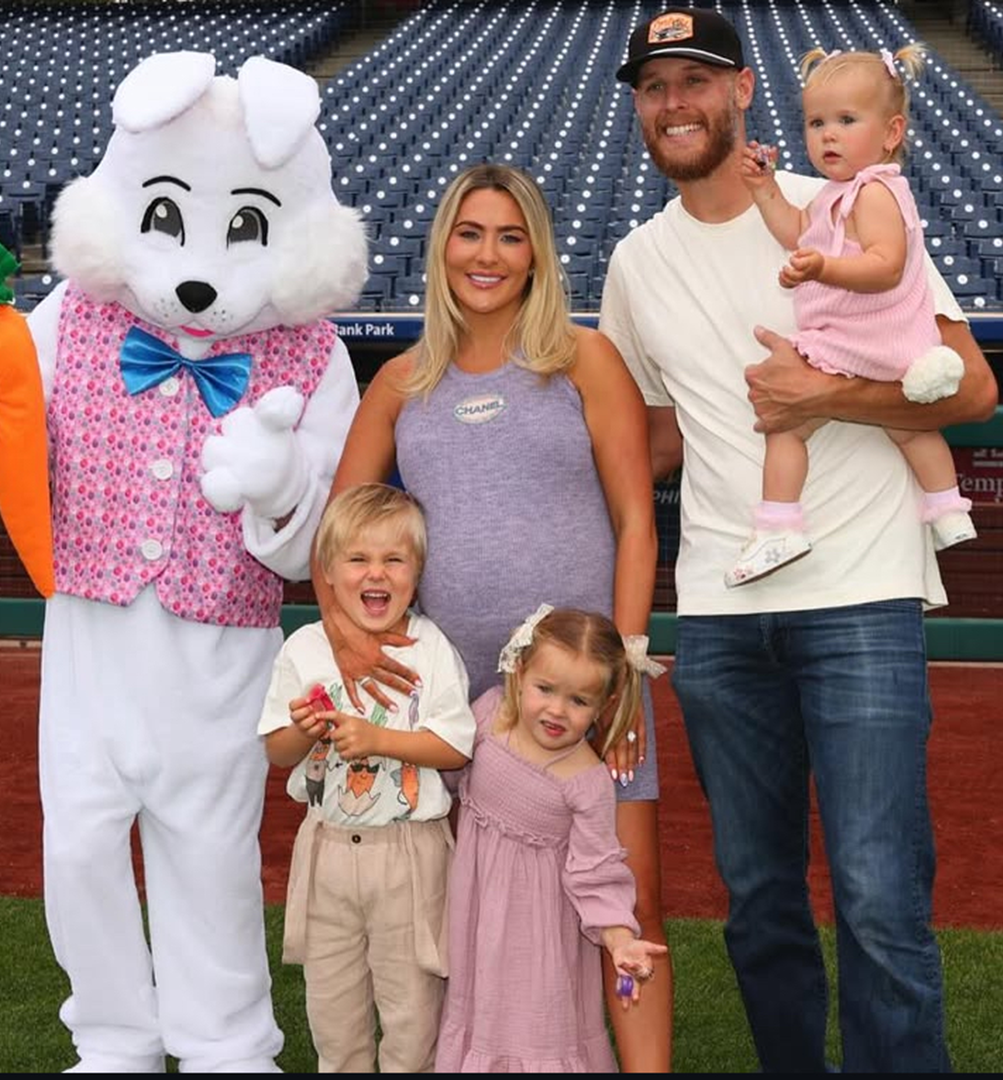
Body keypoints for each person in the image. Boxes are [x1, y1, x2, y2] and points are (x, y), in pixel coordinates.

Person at [601, 7, 999, 1073]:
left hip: (860, 595)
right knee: (761, 898)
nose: (675, 102)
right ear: (640, 110)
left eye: (696, 80)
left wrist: (824, 391)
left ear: (741, 93)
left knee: (878, 899)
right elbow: (656, 441)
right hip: (725, 617)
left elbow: (974, 387)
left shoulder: (849, 205)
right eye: (654, 87)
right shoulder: (635, 264)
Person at [319, 162, 674, 1070]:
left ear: (537, 254)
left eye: (510, 236)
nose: (488, 253)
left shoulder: (584, 358)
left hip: (587, 691)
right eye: (470, 233)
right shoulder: (401, 380)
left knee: (622, 898)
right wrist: (356, 641)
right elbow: (339, 531)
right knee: (467, 911)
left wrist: (624, 672)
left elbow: (637, 520)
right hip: (452, 701)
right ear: (442, 246)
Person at [729, 43, 976, 585]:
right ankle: (948, 508)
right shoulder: (835, 196)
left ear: (891, 133)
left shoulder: (875, 192)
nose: (828, 135)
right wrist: (765, 189)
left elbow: (885, 266)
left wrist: (822, 267)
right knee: (907, 430)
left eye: (846, 120)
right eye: (816, 122)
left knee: (787, 426)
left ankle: (779, 525)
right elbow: (796, 231)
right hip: (886, 347)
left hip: (864, 339)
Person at [258, 483, 476, 1073]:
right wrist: (305, 730)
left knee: (412, 1016)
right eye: (357, 558)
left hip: (411, 856)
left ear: (417, 570)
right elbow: (278, 751)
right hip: (326, 850)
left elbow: (456, 746)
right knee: (334, 1015)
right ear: (328, 571)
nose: (374, 573)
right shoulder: (305, 649)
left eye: (393, 559)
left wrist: (378, 739)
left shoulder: (430, 648)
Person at [436, 605, 669, 1072]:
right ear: (519, 674)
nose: (558, 710)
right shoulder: (487, 718)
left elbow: (598, 874)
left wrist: (620, 942)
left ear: (603, 707)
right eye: (545, 689)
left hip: (541, 941)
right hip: (477, 920)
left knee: (535, 1034)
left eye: (579, 701)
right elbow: (445, 769)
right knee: (479, 1018)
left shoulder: (587, 782)